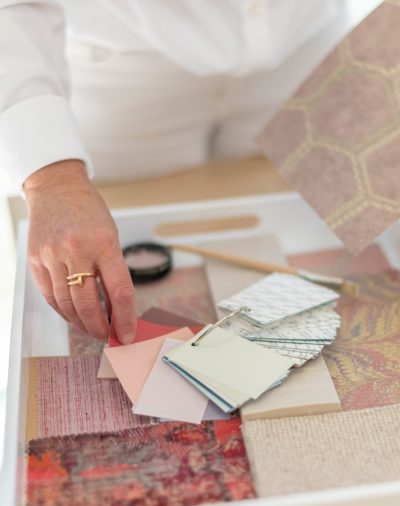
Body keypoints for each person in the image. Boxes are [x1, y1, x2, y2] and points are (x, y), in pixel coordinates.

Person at [0, 0, 372, 344]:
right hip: (120, 76)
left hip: (303, 50)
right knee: (106, 246)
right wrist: (52, 177)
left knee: (310, 233)